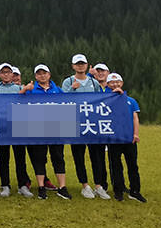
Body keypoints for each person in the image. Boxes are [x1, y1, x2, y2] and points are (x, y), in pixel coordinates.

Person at [61, 54, 108, 199]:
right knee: (79, 156)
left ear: (87, 65)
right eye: (78, 64)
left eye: (83, 63)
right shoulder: (68, 81)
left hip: (92, 124)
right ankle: (85, 186)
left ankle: (98, 186)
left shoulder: (94, 82)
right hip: (75, 124)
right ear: (73, 66)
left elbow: (100, 100)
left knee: (97, 156)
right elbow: (62, 101)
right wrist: (72, 89)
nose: (80, 66)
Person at [24, 64, 71, 200]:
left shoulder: (58, 90)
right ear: (35, 76)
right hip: (37, 129)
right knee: (40, 158)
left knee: (58, 157)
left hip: (56, 129)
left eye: (44, 73)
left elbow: (68, 103)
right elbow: (16, 101)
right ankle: (41, 187)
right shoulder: (31, 90)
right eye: (39, 73)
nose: (42, 75)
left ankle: (62, 187)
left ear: (49, 75)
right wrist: (25, 89)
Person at [0, 63, 33, 198]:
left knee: (20, 158)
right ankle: (5, 185)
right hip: (2, 128)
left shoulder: (19, 88)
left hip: (18, 127)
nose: (6, 74)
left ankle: (22, 185)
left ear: (12, 74)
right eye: (3, 72)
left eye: (8, 72)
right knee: (3, 159)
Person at [106, 73, 146, 202]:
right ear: (108, 85)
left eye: (117, 82)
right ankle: (118, 191)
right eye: (112, 82)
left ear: (122, 83)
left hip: (129, 138)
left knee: (132, 165)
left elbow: (135, 118)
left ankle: (135, 191)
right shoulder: (105, 100)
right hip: (114, 139)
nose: (115, 84)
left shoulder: (131, 101)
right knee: (116, 165)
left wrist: (136, 134)